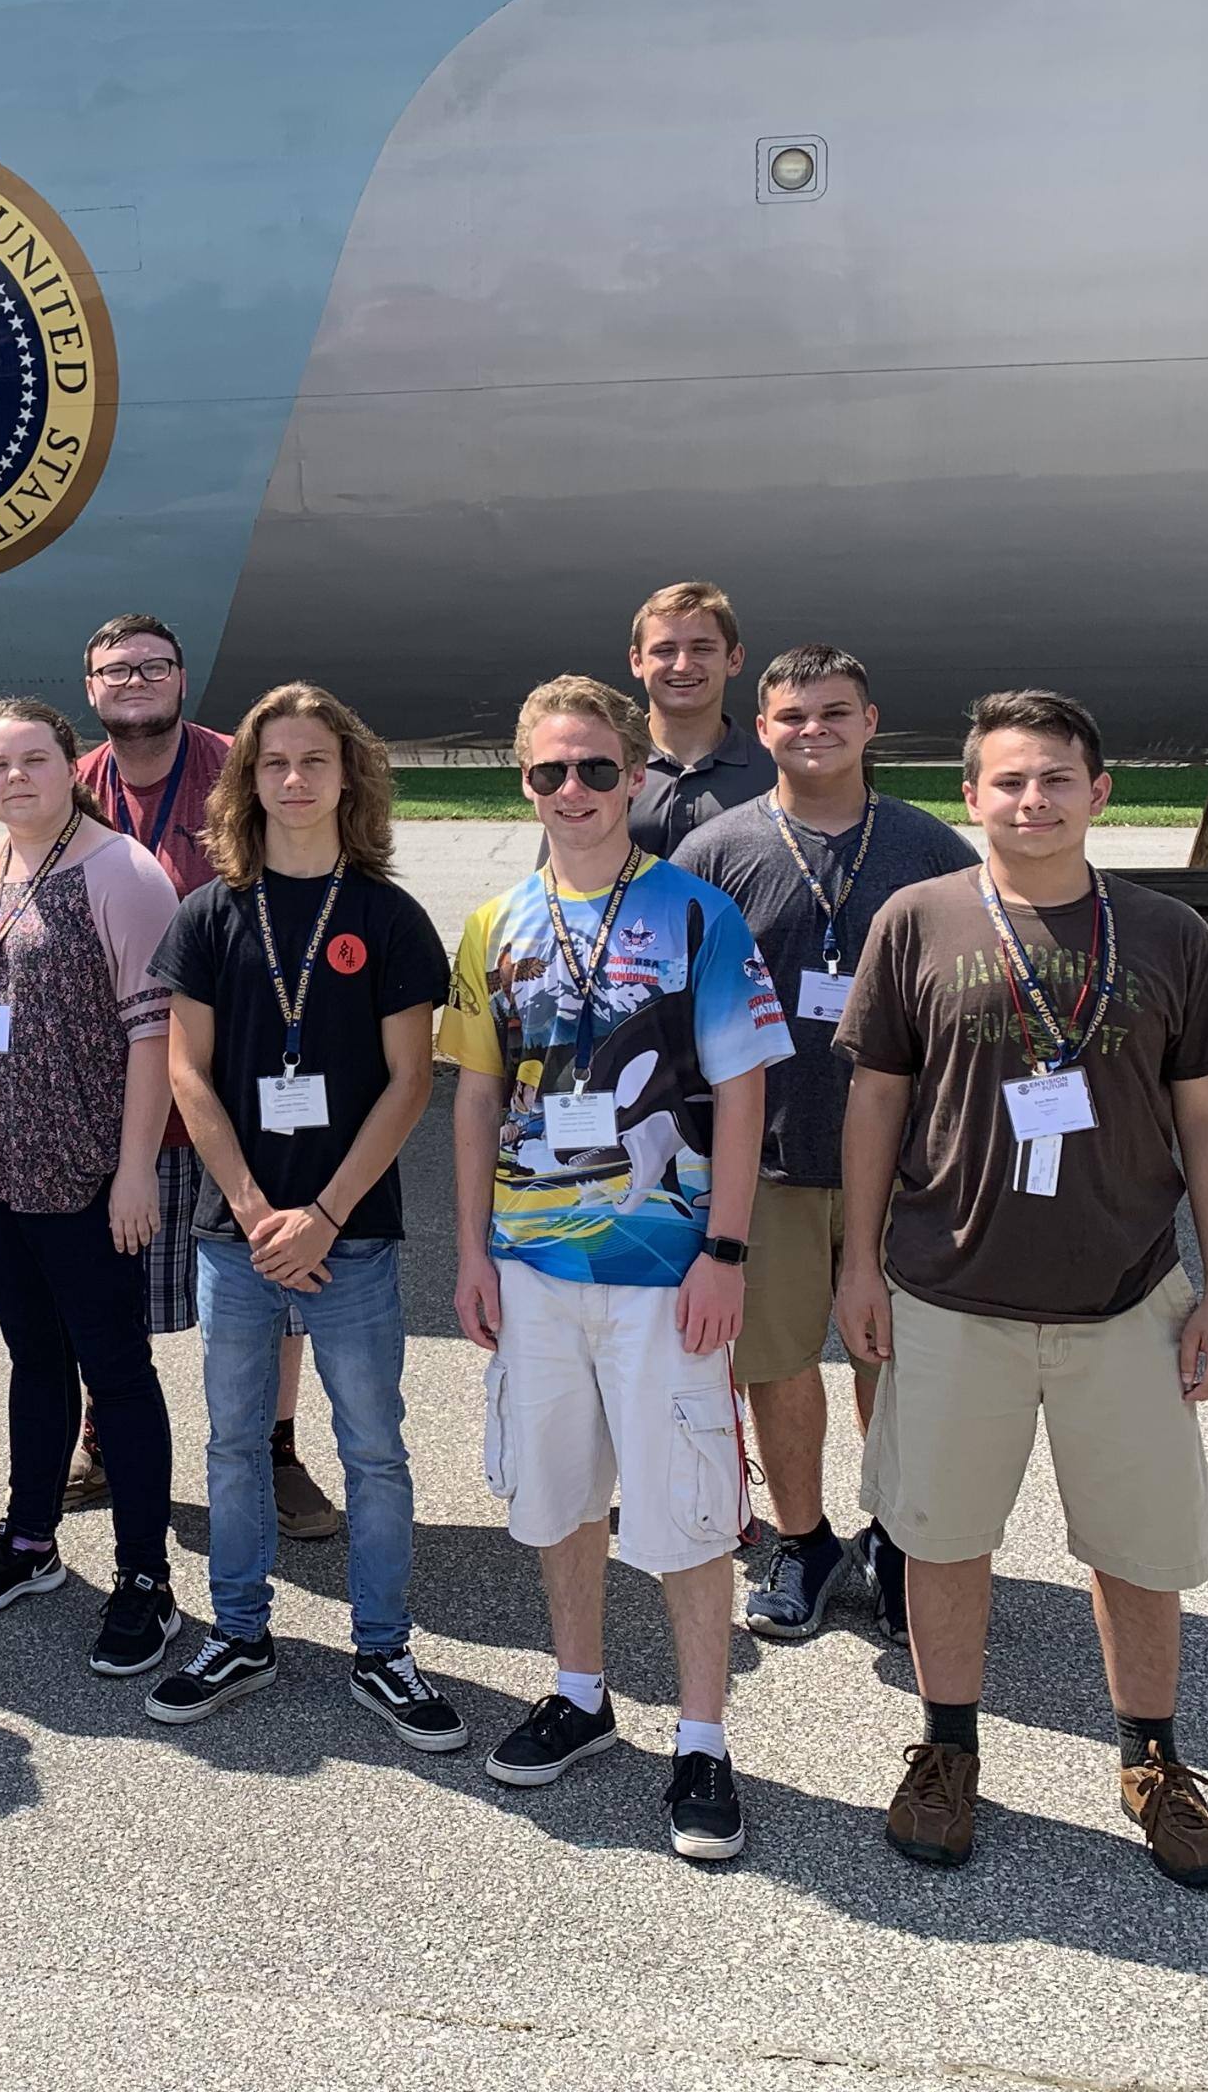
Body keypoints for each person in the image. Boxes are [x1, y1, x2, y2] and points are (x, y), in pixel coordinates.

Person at [835, 689, 1208, 1888]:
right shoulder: (915, 921)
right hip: (946, 1293)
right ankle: (947, 1748)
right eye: (1007, 781)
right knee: (941, 1536)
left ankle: (1153, 1762)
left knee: (1137, 1547)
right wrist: (855, 1264)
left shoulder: (1167, 932)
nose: (1031, 800)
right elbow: (873, 1101)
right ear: (970, 797)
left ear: (1097, 792)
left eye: (1054, 778)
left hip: (1125, 1298)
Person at [444, 679, 789, 1860]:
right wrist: (471, 1252)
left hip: (665, 1269)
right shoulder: (494, 923)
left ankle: (700, 1737)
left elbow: (741, 1089)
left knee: (686, 1508)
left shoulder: (695, 913)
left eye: (597, 768)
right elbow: (477, 1092)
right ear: (524, 783)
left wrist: (726, 1250)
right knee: (555, 1495)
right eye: (550, 772)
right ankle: (580, 1692)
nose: (574, 791)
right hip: (532, 1263)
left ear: (636, 778)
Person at [144, 684, 453, 1748]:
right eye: (272, 762)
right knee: (233, 1443)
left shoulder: (386, 915)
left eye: (313, 760)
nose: (292, 779)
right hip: (239, 1234)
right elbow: (187, 1070)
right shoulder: (208, 912)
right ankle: (237, 1632)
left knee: (371, 1448)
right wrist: (250, 1205)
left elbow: (409, 1081)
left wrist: (322, 1212)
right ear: (246, 781)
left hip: (351, 1232)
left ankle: (383, 1647)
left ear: (346, 775)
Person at [674, 644, 975, 1643]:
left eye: (833, 712)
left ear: (869, 719)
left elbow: (979, 1001)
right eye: (791, 715)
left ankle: (895, 1535)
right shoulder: (716, 852)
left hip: (907, 1162)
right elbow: (669, 1007)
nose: (813, 730)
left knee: (893, 1354)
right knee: (774, 1358)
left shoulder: (930, 851)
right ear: (759, 729)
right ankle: (803, 1541)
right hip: (765, 1157)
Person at [0, 696, 184, 1676]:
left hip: (83, 1172)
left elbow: (153, 1030)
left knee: (114, 1369)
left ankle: (143, 1580)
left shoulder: (119, 873)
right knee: (33, 1356)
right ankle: (28, 1538)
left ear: (70, 764)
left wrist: (134, 1169)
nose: (16, 779)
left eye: (34, 759)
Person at [71, 612, 339, 1540]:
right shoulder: (70, 789)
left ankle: (274, 1447)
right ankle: (104, 1430)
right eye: (116, 670)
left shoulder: (243, 773)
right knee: (105, 1271)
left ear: (183, 680)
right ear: (90, 688)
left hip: (248, 1078)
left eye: (154, 667)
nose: (134, 681)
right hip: (115, 1087)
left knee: (273, 1265)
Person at [627, 581, 773, 855]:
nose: (682, 665)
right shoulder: (601, 768)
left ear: (734, 659)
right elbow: (551, 888)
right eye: (664, 650)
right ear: (637, 661)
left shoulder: (774, 775)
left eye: (702, 649)